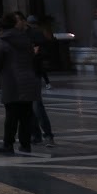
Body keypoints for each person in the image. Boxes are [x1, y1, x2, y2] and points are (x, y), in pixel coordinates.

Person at [0, 12, 41, 156]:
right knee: (26, 115)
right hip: (28, 79)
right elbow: (31, 55)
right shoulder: (25, 38)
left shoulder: (3, 40)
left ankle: (8, 144)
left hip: (11, 81)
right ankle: (25, 144)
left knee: (11, 115)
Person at [22, 14, 56, 148]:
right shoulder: (18, 36)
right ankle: (35, 135)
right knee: (28, 107)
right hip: (22, 74)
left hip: (34, 72)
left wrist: (34, 53)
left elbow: (44, 51)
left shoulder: (36, 33)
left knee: (37, 106)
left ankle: (48, 135)